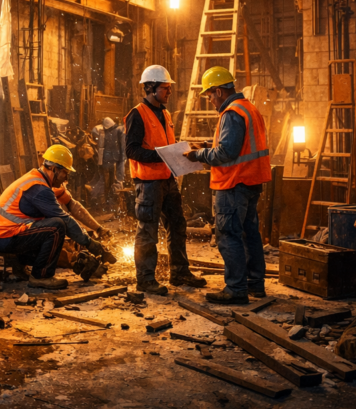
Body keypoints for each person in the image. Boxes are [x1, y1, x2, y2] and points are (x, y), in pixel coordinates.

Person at [184, 67, 271, 305]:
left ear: (220, 91)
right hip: (251, 181)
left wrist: (197, 155)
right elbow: (237, 144)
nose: (210, 100)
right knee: (249, 234)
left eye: (210, 95)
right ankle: (255, 284)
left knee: (228, 235)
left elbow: (226, 152)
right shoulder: (249, 108)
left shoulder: (231, 113)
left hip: (233, 183)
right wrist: (206, 144)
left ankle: (235, 289)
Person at [125, 65, 207, 295]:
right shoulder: (137, 114)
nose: (169, 91)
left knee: (178, 225)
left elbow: (166, 145)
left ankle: (180, 272)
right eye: (165, 88)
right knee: (148, 230)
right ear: (150, 88)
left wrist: (178, 154)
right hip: (148, 183)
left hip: (168, 179)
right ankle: (145, 280)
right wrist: (162, 156)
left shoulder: (165, 114)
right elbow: (131, 150)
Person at [0, 144, 117, 290]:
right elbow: (66, 220)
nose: (66, 178)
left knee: (49, 230)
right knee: (56, 227)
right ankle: (41, 276)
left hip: (8, 234)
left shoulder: (44, 181)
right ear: (54, 169)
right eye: (65, 173)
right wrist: (90, 243)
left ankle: (19, 266)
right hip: (5, 238)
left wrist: (98, 229)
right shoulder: (39, 188)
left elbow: (73, 205)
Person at [91, 117, 125, 208]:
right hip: (109, 161)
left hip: (109, 161)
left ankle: (105, 200)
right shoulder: (109, 132)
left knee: (109, 181)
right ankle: (106, 200)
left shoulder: (106, 132)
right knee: (108, 181)